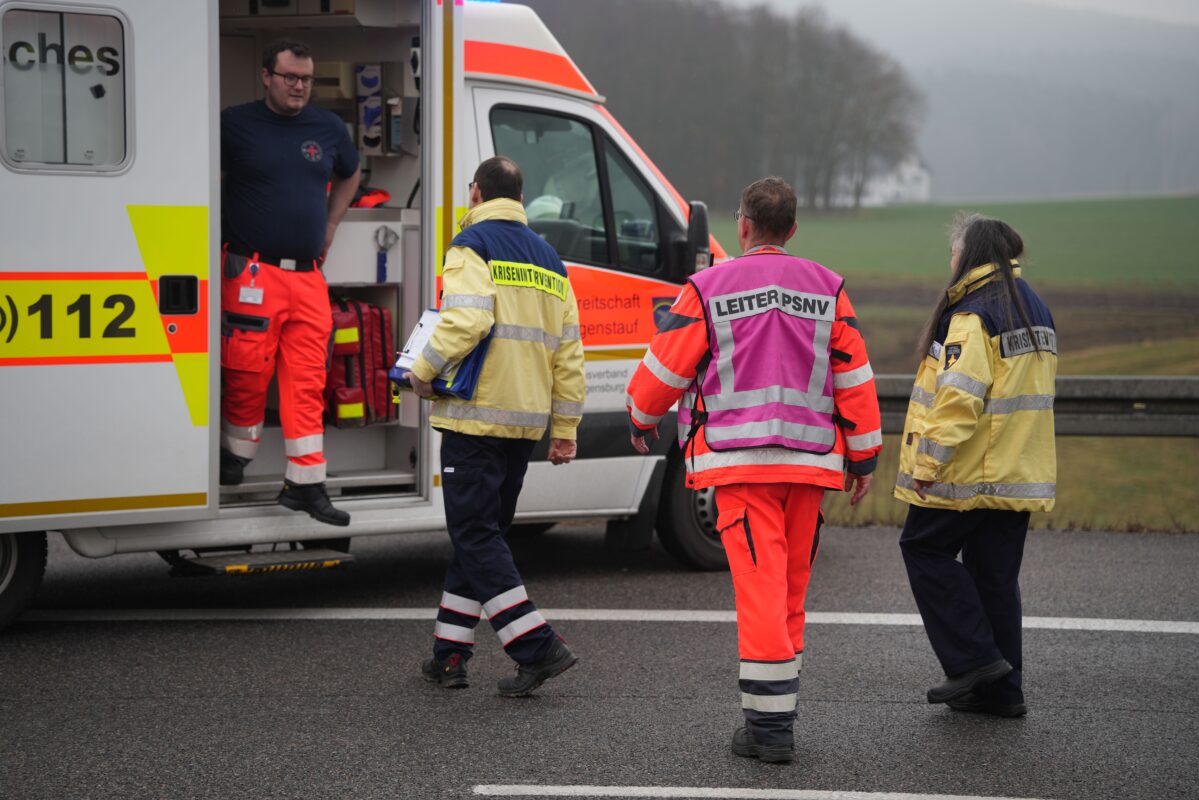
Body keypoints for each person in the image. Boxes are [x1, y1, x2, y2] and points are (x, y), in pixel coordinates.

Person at [625, 177, 882, 764]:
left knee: (761, 590)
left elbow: (664, 369)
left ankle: (769, 730)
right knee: (788, 590)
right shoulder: (829, 289)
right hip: (811, 465)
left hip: (739, 464)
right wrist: (864, 456)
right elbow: (854, 377)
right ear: (792, 229)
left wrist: (641, 418)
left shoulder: (707, 288)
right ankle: (777, 713)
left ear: (742, 225)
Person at [403, 156, 586, 697]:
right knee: (481, 535)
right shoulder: (552, 261)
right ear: (521, 197)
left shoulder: (472, 244)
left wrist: (422, 370)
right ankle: (449, 655)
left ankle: (536, 646)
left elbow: (468, 319)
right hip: (523, 425)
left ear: (476, 193)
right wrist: (565, 428)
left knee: (475, 534)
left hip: (475, 417)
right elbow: (570, 354)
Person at [894, 213, 1057, 718]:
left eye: (953, 253)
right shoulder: (1034, 307)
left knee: (923, 548)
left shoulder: (973, 313)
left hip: (967, 473)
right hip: (1017, 471)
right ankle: (1003, 693)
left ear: (968, 255)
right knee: (995, 578)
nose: (950, 261)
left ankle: (974, 660)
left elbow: (959, 398)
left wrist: (929, 461)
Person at [219, 39, 361, 527]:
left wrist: (332, 223)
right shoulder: (234, 124)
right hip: (252, 272)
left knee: (307, 382)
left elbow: (350, 173)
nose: (299, 86)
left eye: (306, 79)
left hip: (307, 278)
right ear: (267, 77)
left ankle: (306, 484)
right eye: (290, 77)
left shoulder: (327, 127)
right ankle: (235, 455)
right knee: (245, 370)